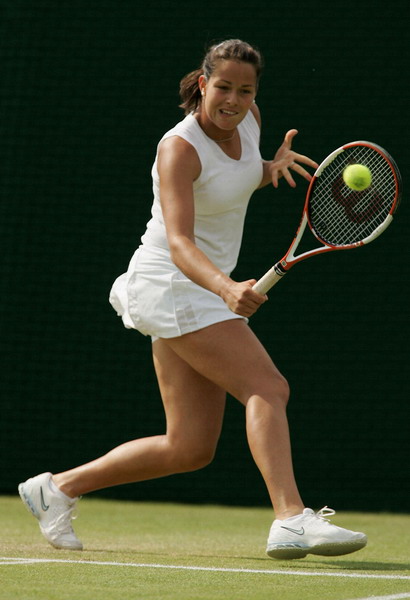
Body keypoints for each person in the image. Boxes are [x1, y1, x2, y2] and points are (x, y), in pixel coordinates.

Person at [18, 39, 367, 560]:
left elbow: (231, 183)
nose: (233, 99)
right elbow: (180, 241)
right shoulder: (178, 147)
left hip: (196, 288)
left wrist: (268, 167)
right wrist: (226, 288)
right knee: (267, 387)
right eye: (223, 87)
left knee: (189, 447)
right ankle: (291, 518)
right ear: (202, 83)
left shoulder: (249, 121)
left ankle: (57, 488)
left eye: (245, 90)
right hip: (173, 283)